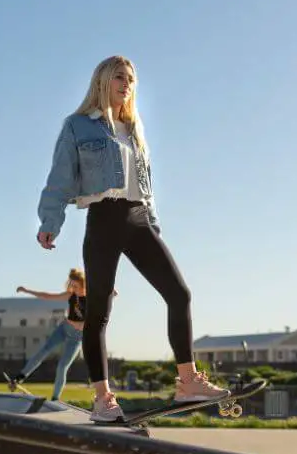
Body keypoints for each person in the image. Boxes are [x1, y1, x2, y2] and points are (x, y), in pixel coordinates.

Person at [35, 55, 229, 423]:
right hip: (103, 219)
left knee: (179, 293)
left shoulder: (134, 128)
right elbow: (60, 180)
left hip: (138, 220)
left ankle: (187, 382)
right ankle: (103, 398)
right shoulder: (78, 126)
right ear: (103, 81)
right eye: (120, 77)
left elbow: (147, 189)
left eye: (131, 79)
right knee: (98, 313)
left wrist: (153, 226)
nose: (127, 84)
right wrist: (50, 222)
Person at [4, 268, 111, 401]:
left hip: (77, 337)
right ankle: (20, 377)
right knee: (43, 351)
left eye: (76, 286)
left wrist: (110, 292)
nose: (73, 288)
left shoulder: (92, 297)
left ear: (83, 284)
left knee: (62, 366)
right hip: (63, 329)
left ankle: (55, 398)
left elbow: (107, 295)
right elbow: (48, 296)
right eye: (71, 285)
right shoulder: (70, 295)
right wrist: (27, 290)